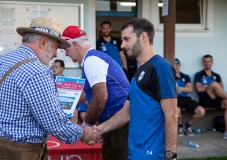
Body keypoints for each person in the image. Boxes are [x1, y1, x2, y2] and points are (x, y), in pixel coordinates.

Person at [0, 17, 100, 160]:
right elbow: (55, 123)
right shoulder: (38, 72)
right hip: (20, 153)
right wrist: (84, 133)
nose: (55, 54)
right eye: (55, 47)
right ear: (43, 42)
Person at [93, 18, 178, 160]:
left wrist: (170, 155)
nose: (123, 44)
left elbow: (172, 114)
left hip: (153, 154)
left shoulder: (161, 66)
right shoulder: (138, 72)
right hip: (135, 152)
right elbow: (125, 114)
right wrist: (98, 130)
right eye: (122, 40)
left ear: (143, 37)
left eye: (127, 39)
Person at [62, 25, 130, 160]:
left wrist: (86, 125)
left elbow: (100, 96)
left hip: (121, 124)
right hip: (115, 123)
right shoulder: (91, 59)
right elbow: (86, 95)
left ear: (75, 44)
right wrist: (60, 103)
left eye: (66, 49)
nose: (66, 54)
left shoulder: (91, 60)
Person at [194, 54, 227, 139]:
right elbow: (199, 89)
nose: (207, 63)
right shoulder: (199, 74)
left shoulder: (217, 75)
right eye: (205, 61)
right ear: (203, 62)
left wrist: (206, 86)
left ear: (212, 62)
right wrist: (212, 87)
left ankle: (226, 132)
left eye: (209, 61)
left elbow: (221, 89)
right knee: (214, 84)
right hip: (205, 100)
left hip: (217, 99)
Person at [174, 58, 205, 137]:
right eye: (173, 65)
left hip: (186, 98)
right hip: (175, 98)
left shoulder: (185, 76)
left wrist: (178, 88)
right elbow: (171, 91)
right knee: (176, 111)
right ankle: (180, 126)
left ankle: (188, 125)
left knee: (201, 111)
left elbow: (190, 89)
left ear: (179, 65)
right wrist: (184, 88)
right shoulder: (168, 76)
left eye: (177, 65)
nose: (175, 67)